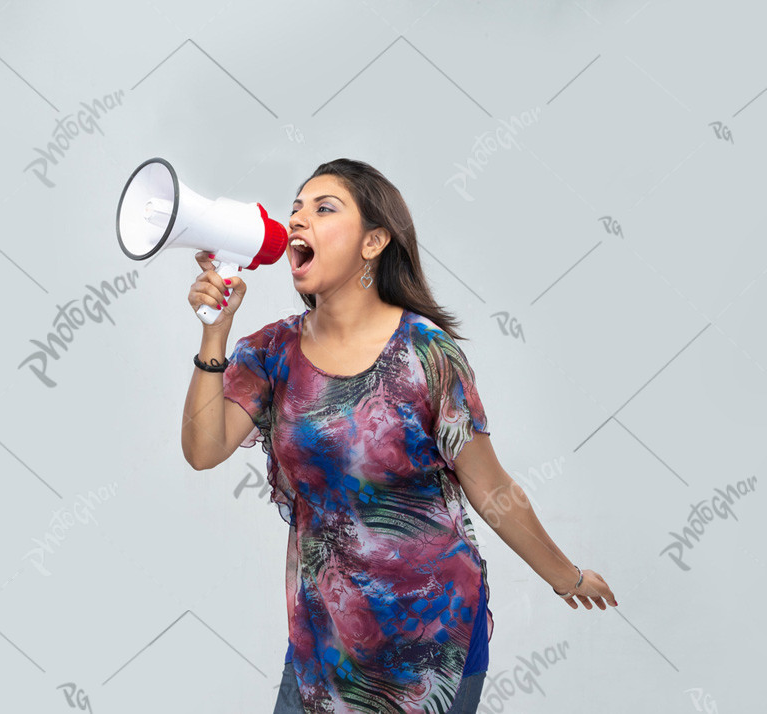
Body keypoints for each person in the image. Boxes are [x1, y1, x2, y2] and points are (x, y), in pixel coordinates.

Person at [181, 158, 618, 714]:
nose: (297, 220)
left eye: (323, 208)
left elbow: (489, 488)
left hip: (432, 645)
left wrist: (567, 576)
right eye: (295, 208)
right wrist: (213, 334)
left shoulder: (426, 353)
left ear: (374, 242)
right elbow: (202, 449)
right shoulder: (271, 352)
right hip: (325, 646)